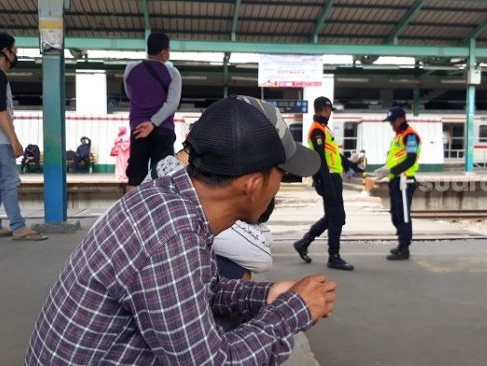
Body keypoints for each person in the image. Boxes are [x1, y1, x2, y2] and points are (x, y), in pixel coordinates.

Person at [25, 95, 336, 365]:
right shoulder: (173, 233)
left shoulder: (170, 198)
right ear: (253, 185)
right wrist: (294, 310)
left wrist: (267, 295)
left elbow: (204, 288)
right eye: (281, 174)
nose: (279, 186)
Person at [144, 148, 274, 280]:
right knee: (238, 271)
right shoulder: (188, 194)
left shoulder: (170, 169)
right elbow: (262, 258)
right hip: (161, 271)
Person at [0, 32, 46, 241]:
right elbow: (0, 111)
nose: (15, 54)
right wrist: (14, 140)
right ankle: (18, 226)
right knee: (8, 181)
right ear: (4, 52)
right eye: (14, 50)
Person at [293, 96, 354, 271]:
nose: (329, 113)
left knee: (332, 216)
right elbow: (320, 160)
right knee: (337, 217)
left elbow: (335, 154)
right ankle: (333, 256)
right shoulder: (316, 131)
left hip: (334, 177)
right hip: (328, 179)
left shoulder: (324, 129)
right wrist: (327, 185)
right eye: (328, 110)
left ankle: (303, 243)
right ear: (322, 109)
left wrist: (351, 164)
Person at [124, 32, 181, 192]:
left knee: (135, 174)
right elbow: (172, 104)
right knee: (163, 175)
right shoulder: (173, 73)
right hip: (163, 129)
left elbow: (130, 94)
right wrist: (154, 122)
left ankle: (132, 214)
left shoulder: (131, 68)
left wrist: (147, 120)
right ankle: (159, 215)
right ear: (163, 52)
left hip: (138, 128)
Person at [373, 107, 421, 260]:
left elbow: (410, 159)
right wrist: (386, 168)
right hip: (396, 180)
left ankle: (404, 248)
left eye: (393, 121)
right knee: (396, 214)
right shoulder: (398, 137)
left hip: (405, 180)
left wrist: (391, 170)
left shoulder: (410, 136)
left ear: (401, 119)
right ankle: (401, 244)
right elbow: (396, 157)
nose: (391, 125)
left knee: (403, 215)